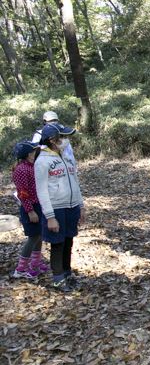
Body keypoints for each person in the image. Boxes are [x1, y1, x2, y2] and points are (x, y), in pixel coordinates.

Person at [35, 124, 85, 292]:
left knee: (69, 240)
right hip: (55, 209)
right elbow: (41, 190)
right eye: (62, 137)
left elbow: (75, 183)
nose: (65, 140)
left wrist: (81, 206)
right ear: (52, 140)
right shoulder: (42, 161)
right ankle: (58, 279)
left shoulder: (67, 157)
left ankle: (67, 273)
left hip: (72, 207)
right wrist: (50, 216)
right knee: (58, 244)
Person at [11, 141, 49, 279]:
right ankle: (20, 269)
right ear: (28, 154)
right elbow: (23, 193)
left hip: (38, 205)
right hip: (30, 207)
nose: (35, 153)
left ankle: (35, 264)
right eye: (33, 151)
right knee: (33, 237)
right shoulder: (21, 169)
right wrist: (30, 211)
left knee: (39, 234)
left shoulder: (32, 166)